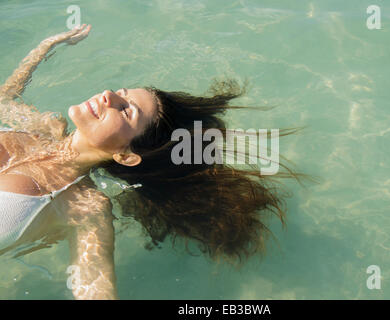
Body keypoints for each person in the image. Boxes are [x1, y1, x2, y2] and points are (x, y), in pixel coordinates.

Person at [0, 25, 309, 300]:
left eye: (124, 110)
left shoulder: (85, 207)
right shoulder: (42, 127)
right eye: (119, 94)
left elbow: (95, 289)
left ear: (126, 155)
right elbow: (6, 98)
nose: (107, 95)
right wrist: (47, 46)